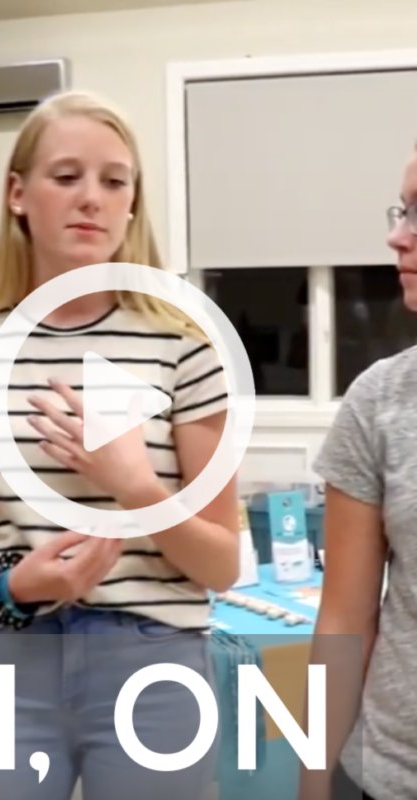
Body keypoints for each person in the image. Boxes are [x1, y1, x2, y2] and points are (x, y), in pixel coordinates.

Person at [0, 90, 239, 800]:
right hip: (9, 661)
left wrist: (134, 486)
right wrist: (12, 585)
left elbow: (223, 564)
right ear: (18, 194)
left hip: (154, 666)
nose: (92, 198)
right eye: (66, 176)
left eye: (115, 181)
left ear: (133, 203)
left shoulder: (184, 345)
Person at [299, 142, 417, 800]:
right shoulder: (378, 402)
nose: (397, 236)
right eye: (403, 210)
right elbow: (344, 621)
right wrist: (314, 785)